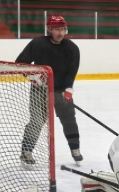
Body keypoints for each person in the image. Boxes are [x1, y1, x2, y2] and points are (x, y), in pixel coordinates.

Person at [16, 14, 82, 163]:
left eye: (63, 29)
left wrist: (68, 90)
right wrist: (34, 77)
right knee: (37, 120)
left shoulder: (72, 48)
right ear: (49, 30)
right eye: (56, 29)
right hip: (39, 90)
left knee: (69, 119)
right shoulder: (38, 43)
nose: (60, 33)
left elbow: (72, 72)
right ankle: (26, 151)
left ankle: (75, 148)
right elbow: (20, 63)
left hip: (60, 90)